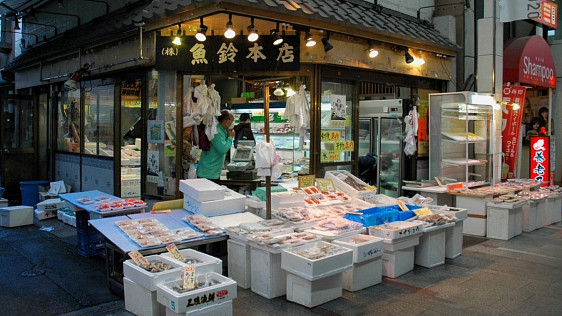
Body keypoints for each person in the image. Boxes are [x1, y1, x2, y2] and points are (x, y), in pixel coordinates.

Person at [196, 110, 235, 183]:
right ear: (225, 120)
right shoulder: (216, 131)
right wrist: (230, 138)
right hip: (208, 173)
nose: (232, 123)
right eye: (232, 121)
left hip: (213, 172)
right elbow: (222, 149)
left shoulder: (223, 130)